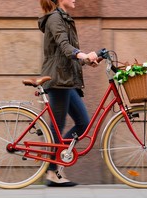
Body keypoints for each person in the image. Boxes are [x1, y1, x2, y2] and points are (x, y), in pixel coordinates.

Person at [38, 0, 100, 187]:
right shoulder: (55, 18)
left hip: (66, 79)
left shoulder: (64, 18)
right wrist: (83, 55)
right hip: (58, 80)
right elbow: (65, 47)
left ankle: (54, 164)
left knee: (83, 123)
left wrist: (86, 60)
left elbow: (65, 55)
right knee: (58, 126)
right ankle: (53, 171)